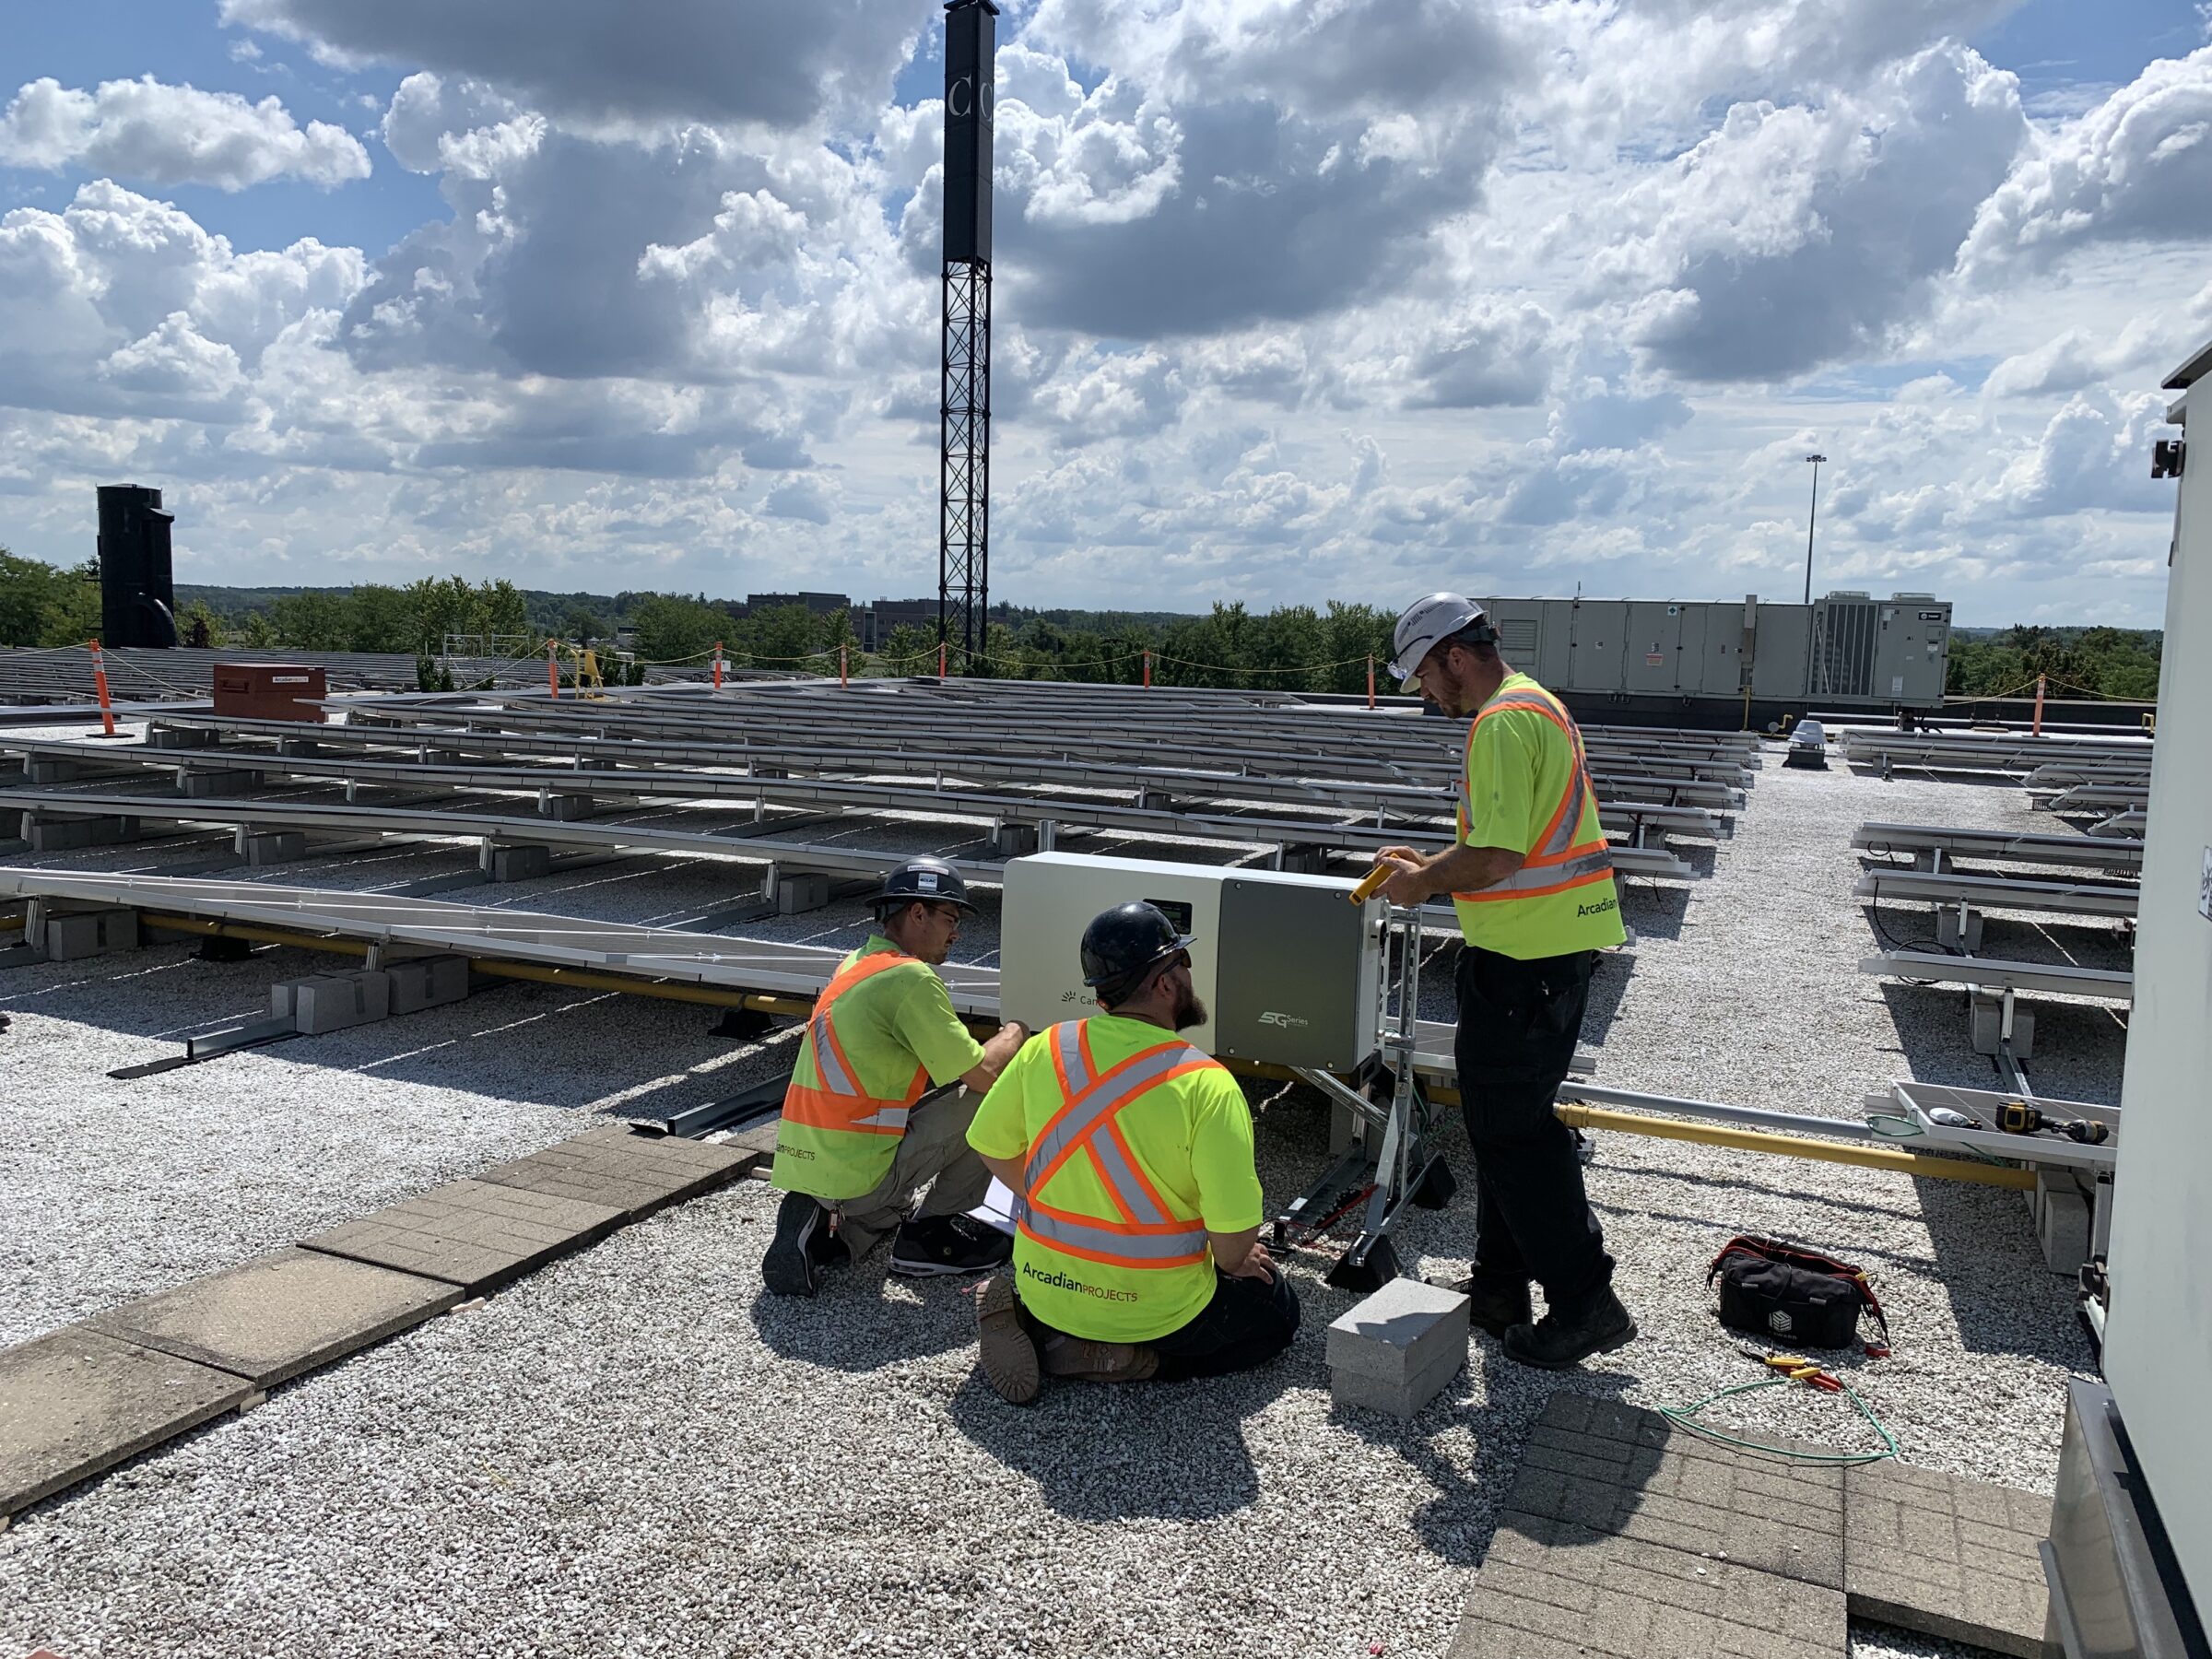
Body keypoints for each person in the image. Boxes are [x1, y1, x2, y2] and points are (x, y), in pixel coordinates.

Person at [1371, 594, 1636, 1371]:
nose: (1426, 693)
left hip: (1525, 963)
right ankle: (1497, 1291)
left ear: (1456, 655)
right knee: (1502, 1127)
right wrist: (1427, 869)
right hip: (1551, 953)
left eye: (1425, 675)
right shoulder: (1538, 705)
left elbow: (1497, 854)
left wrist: (1421, 882)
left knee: (1517, 1135)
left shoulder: (1500, 722)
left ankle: (1586, 1301)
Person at [965, 901, 1300, 1404]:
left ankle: (1035, 1318)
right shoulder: (1205, 1082)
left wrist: (1050, 1196)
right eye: (1184, 965)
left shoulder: (1047, 1047)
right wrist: (1237, 1259)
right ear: (1166, 983)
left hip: (1046, 1283)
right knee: (1277, 1315)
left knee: (1064, 1287)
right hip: (1157, 1311)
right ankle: (1134, 1359)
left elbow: (988, 1145)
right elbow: (1232, 1251)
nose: (1190, 976)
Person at [763, 857, 1030, 1296]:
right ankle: (931, 1237)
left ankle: (829, 1232)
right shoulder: (910, 979)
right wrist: (1018, 1029)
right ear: (917, 913)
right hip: (857, 1169)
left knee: (892, 1206)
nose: (956, 932)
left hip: (810, 1159)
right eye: (950, 917)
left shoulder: (857, 962)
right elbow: (983, 1074)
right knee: (995, 1098)